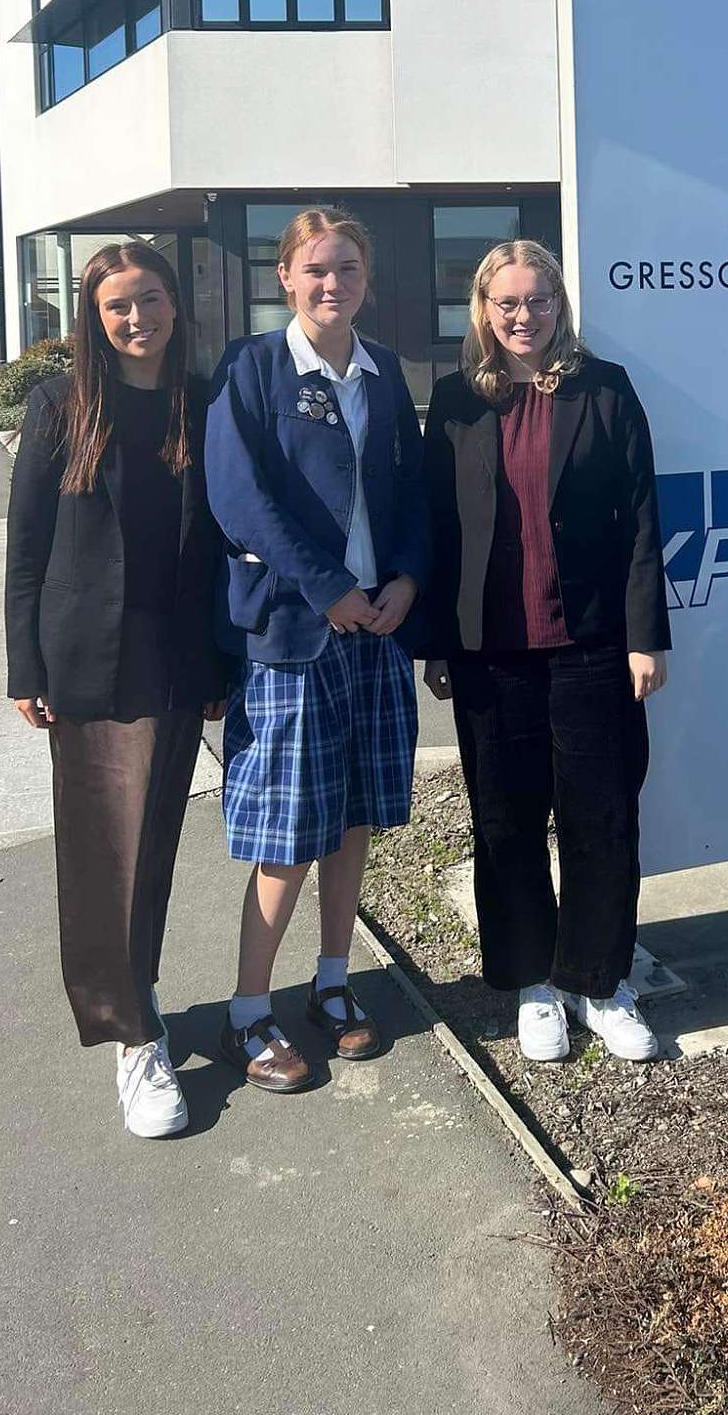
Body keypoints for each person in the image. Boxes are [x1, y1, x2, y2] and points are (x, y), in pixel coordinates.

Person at [421, 240, 670, 1062]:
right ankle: (532, 981)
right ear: (484, 311)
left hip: (591, 644)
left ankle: (599, 981)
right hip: (490, 653)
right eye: (508, 303)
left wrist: (645, 636)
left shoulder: (605, 389)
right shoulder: (456, 400)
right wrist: (437, 644)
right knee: (505, 820)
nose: (523, 316)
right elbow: (438, 528)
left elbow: (642, 521)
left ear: (560, 306)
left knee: (602, 817)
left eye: (538, 301)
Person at [5, 241, 228, 1137]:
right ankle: (133, 1039)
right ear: (94, 320)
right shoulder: (61, 405)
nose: (139, 319)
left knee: (154, 844)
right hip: (87, 660)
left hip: (174, 658)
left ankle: (140, 995)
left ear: (176, 304)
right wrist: (25, 666)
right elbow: (26, 547)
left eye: (152, 299)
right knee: (104, 853)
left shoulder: (202, 402)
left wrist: (217, 663)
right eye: (118, 306)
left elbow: (218, 545)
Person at [205, 208, 429, 1092]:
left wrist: (406, 578)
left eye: (347, 269)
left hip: (374, 629)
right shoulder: (253, 367)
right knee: (289, 831)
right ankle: (247, 1012)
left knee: (355, 816)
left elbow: (413, 492)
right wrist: (325, 586)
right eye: (316, 269)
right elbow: (239, 499)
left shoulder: (383, 373)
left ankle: (332, 984)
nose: (332, 283)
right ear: (286, 278)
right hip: (297, 633)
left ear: (366, 278)